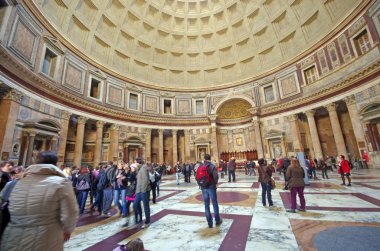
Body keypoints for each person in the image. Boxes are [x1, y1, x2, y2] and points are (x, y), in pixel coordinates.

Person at [0, 151, 78, 250]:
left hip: (13, 235)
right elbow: (71, 211)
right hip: (46, 236)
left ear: (36, 163)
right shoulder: (61, 183)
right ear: (55, 163)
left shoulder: (14, 183)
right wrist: (68, 230)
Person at [199, 154, 222, 228]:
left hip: (203, 187)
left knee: (206, 204)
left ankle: (209, 222)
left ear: (204, 158)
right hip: (211, 187)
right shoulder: (212, 166)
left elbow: (197, 176)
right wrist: (214, 183)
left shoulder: (200, 166)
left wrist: (201, 184)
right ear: (210, 159)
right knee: (214, 203)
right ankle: (217, 220)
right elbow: (216, 177)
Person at [133, 157, 151, 229]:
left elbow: (145, 180)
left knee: (146, 206)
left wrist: (143, 190)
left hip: (144, 191)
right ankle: (139, 218)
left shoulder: (143, 168)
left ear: (138, 162)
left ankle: (147, 222)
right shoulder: (140, 168)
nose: (134, 163)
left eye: (135, 162)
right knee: (135, 204)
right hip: (139, 191)